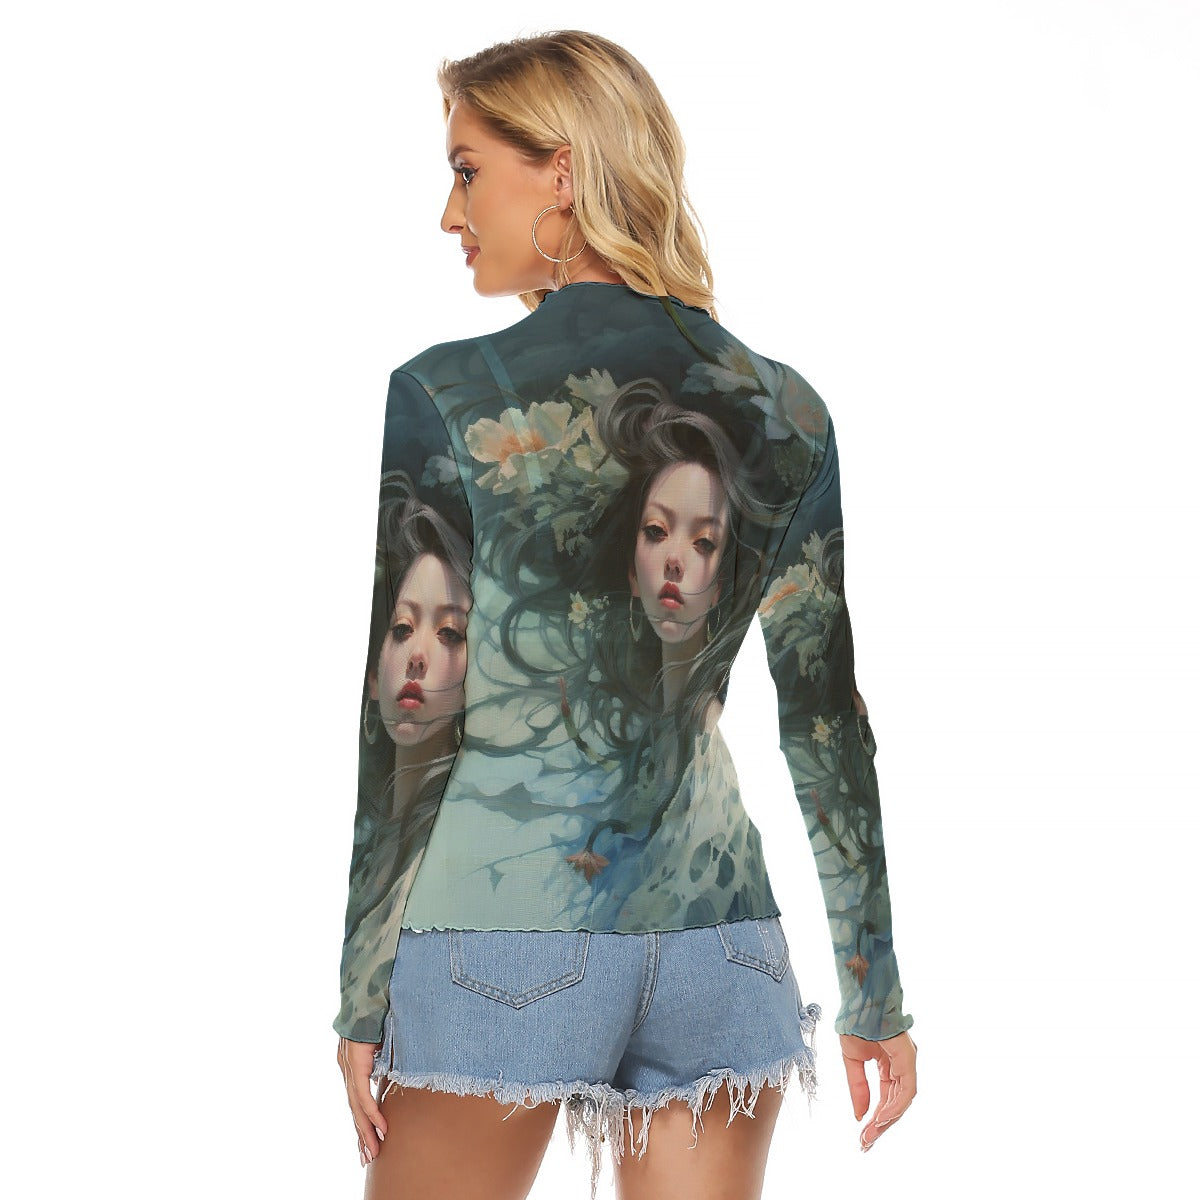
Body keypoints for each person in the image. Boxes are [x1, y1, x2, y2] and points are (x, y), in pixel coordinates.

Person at [334, 29, 918, 1200]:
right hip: (723, 947)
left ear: (561, 171)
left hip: (505, 934)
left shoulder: (449, 395)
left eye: (466, 171)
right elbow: (823, 722)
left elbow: (410, 715)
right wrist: (875, 992)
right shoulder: (788, 408)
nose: (451, 215)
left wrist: (361, 993)